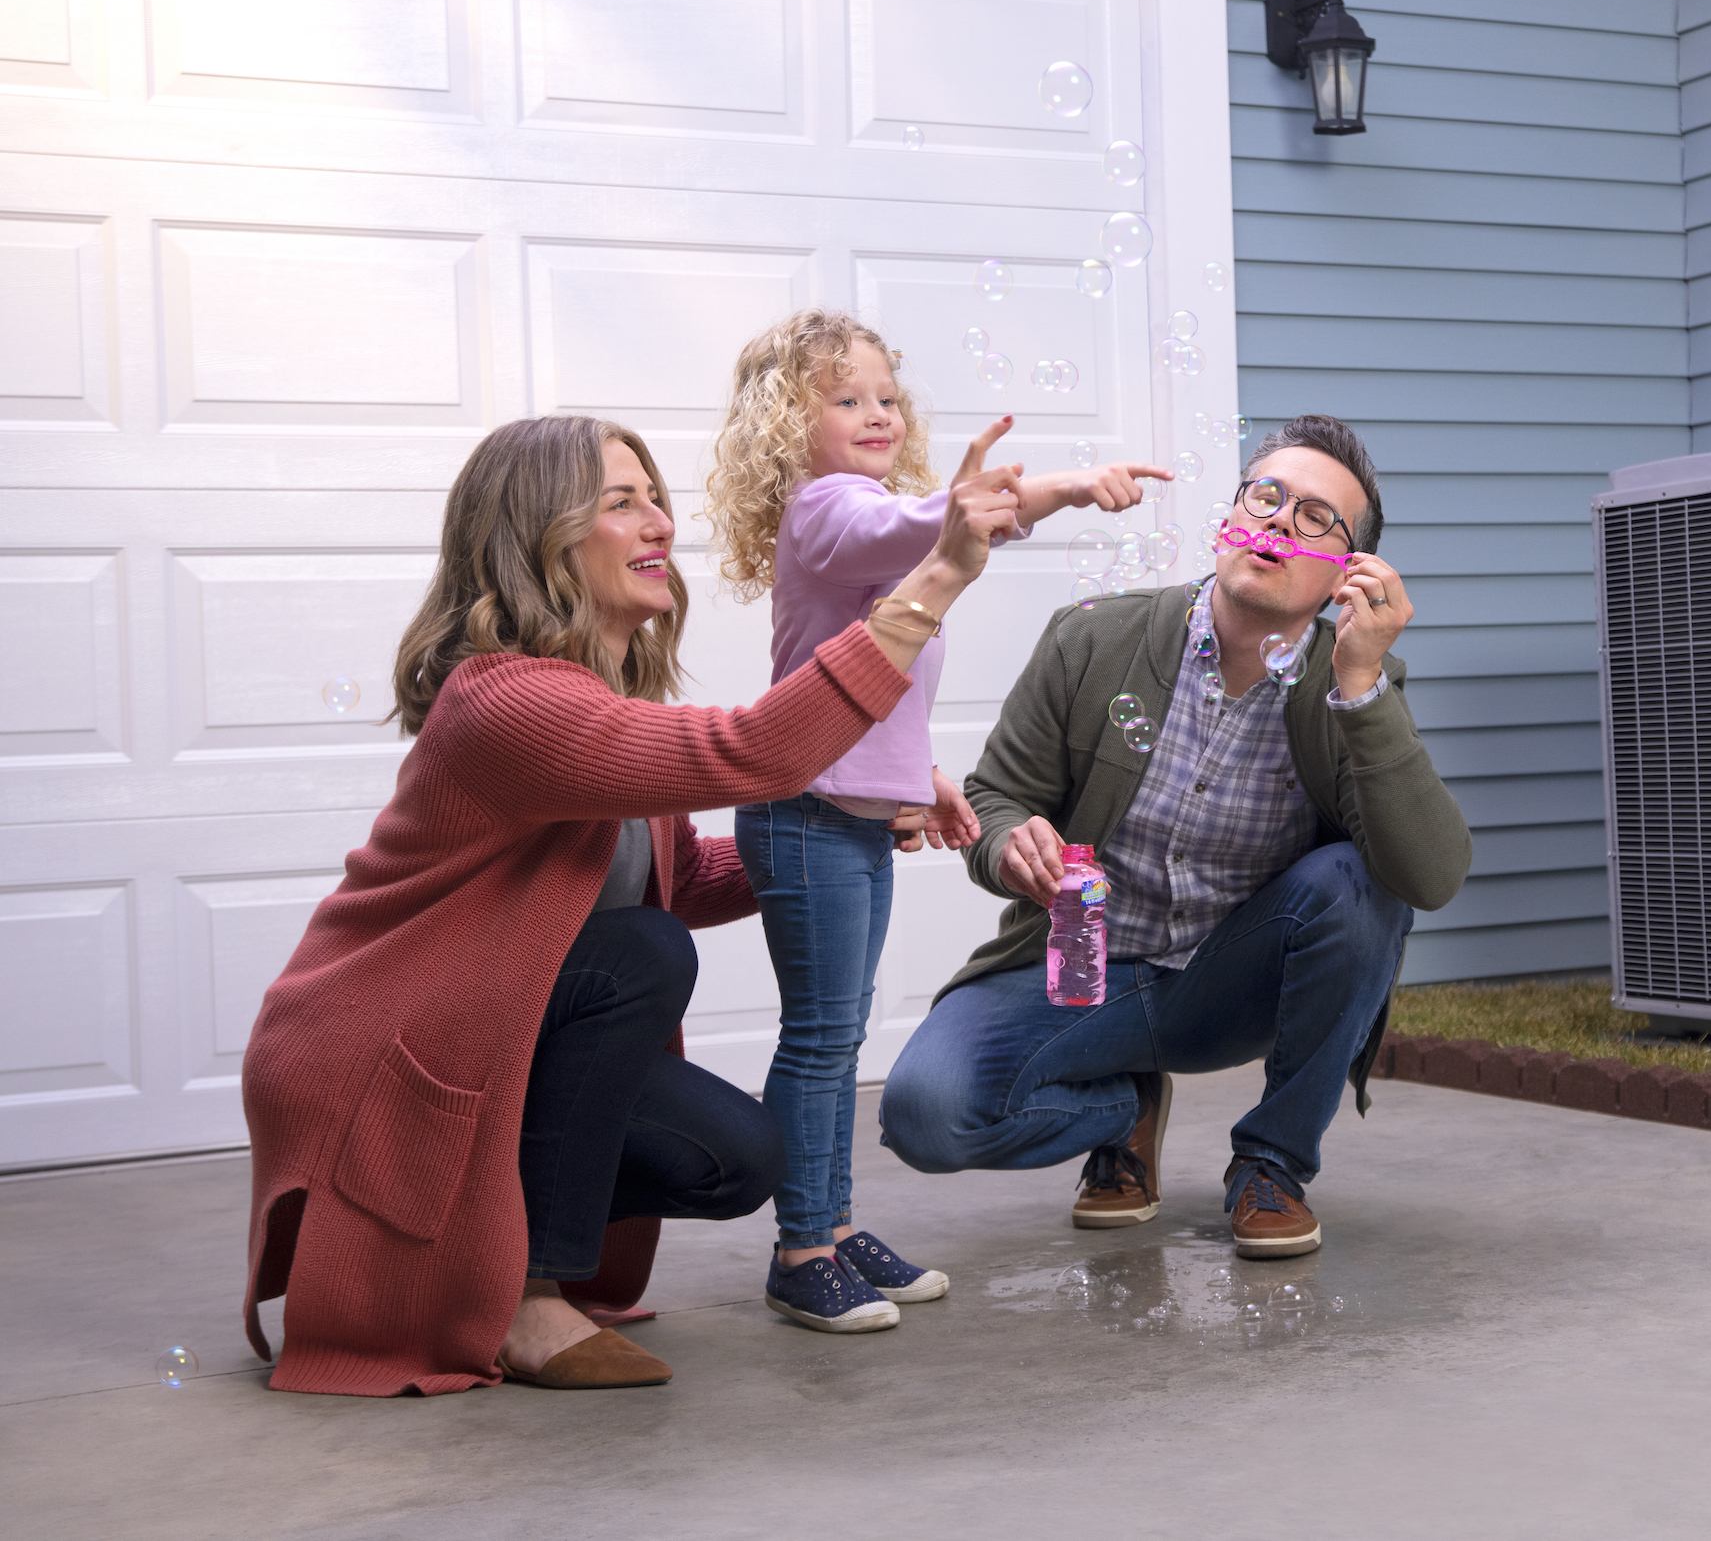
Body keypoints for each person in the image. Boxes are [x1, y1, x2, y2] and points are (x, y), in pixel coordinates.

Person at [237, 410, 1020, 1395]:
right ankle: (527, 1293)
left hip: (495, 1030)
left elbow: (687, 875)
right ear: (540, 535)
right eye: (621, 502)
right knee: (642, 950)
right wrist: (936, 576)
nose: (660, 523)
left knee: (738, 1156)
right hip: (380, 1044)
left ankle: (500, 1229)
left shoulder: (604, 699)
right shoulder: (508, 700)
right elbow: (752, 751)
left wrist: (852, 821)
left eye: (657, 497)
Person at [878, 413, 1471, 1259]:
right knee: (924, 1116)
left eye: (1316, 518)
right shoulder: (1093, 639)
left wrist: (1363, 688)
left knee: (1358, 878)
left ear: (1350, 572)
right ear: (1231, 516)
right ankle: (1123, 1109)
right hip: (1082, 965)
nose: (1279, 521)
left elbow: (1432, 875)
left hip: (1231, 983)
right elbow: (996, 798)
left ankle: (1272, 1164)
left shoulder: (1350, 680)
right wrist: (1009, 845)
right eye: (1266, 497)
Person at [703, 309, 1169, 1333]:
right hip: (802, 815)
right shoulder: (827, 508)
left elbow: (879, 686)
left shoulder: (867, 509)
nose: (876, 411)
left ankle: (829, 1221)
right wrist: (1056, 488)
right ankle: (802, 1248)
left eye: (886, 394)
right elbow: (923, 528)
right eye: (844, 397)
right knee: (822, 1041)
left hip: (851, 818)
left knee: (840, 1032)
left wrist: (923, 776)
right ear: (788, 425)